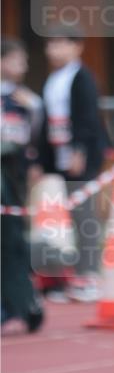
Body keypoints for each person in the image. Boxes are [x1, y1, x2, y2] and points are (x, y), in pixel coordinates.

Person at [35, 31, 107, 302]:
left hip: (81, 157)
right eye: (51, 43)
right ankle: (70, 275)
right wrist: (41, 161)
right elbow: (47, 122)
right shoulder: (52, 80)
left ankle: (90, 275)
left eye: (60, 43)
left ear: (77, 46)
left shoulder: (82, 78)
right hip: (59, 157)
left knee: (85, 216)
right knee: (69, 218)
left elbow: (88, 118)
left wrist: (80, 150)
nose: (54, 50)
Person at [1, 39, 44, 332]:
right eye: (18, 60)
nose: (24, 66)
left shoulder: (27, 100)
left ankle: (23, 305)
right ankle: (20, 305)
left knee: (12, 241)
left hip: (14, 180)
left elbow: (32, 139)